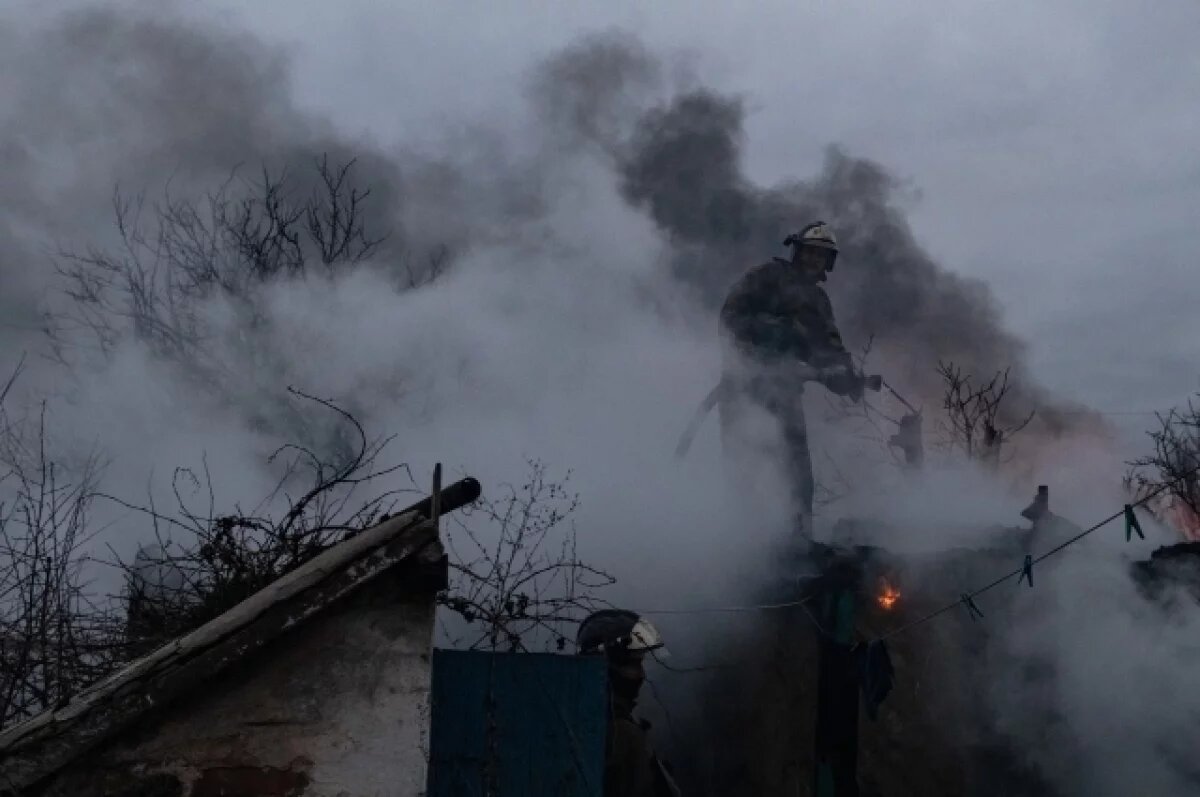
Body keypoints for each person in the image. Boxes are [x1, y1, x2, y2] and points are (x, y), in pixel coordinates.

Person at [718, 221, 870, 539]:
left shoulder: (818, 301)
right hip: (744, 388)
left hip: (785, 394)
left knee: (798, 473)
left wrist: (847, 379)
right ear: (798, 251)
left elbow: (829, 351)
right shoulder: (767, 277)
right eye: (810, 252)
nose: (815, 260)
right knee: (748, 468)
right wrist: (777, 332)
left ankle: (800, 544)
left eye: (822, 255)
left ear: (829, 262)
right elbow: (730, 318)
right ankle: (744, 544)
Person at [577, 609, 682, 797]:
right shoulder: (622, 733)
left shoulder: (579, 719)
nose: (641, 674)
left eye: (640, 664)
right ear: (606, 666)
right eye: (633, 665)